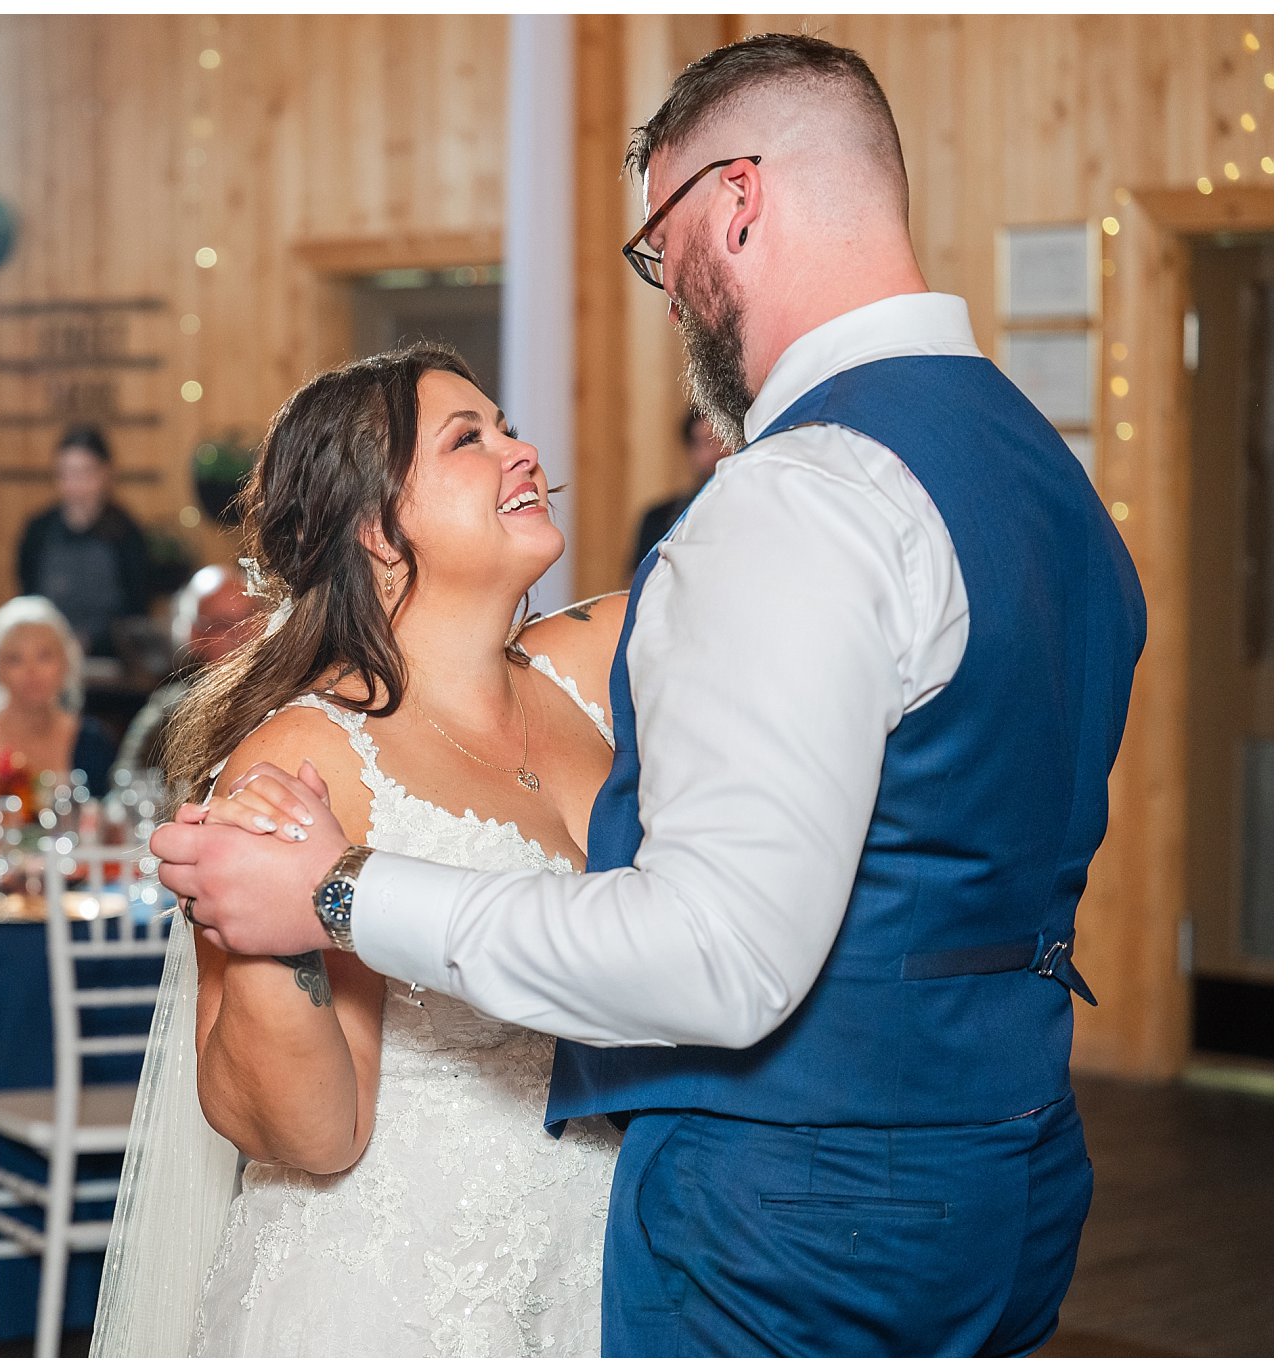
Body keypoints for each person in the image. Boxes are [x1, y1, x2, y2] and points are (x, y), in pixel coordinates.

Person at [151, 34, 1147, 1358]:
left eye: (661, 242)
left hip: (795, 1219)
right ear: (372, 531)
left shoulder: (790, 504)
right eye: (471, 438)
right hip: (997, 1170)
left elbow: (720, 955)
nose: (668, 290)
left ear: (736, 201)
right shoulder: (1052, 489)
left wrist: (341, 894)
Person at [92, 344, 626, 1357]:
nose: (522, 452)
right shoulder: (303, 756)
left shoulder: (577, 674)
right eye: (470, 438)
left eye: (506, 426)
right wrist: (263, 931)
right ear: (377, 530)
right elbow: (310, 1134)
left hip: (596, 1257)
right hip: (401, 1288)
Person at [0, 596, 118, 793]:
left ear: (66, 663)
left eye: (44, 656)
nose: (31, 671)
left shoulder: (94, 741)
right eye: (15, 659)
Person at [14, 425, 152, 658]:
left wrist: (92, 640)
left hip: (111, 662)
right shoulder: (39, 530)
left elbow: (137, 608)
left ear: (105, 474)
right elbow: (28, 598)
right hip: (47, 656)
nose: (74, 484)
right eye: (66, 473)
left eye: (84, 473)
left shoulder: (126, 534)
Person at [113, 563, 259, 777]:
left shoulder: (285, 696)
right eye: (222, 624)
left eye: (250, 618)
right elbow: (125, 779)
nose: (240, 634)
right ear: (195, 636)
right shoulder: (172, 708)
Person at [627, 407, 726, 574]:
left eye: (719, 441)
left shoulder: (753, 510)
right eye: (702, 443)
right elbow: (636, 588)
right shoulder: (660, 518)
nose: (712, 455)